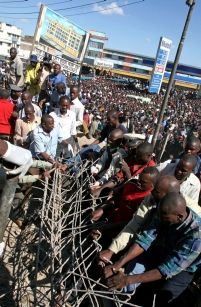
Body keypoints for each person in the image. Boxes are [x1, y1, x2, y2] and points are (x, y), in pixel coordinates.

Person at [104, 193, 201, 307]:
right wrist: (117, 265)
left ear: (179, 217)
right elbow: (145, 239)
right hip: (164, 248)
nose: (160, 219)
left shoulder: (196, 236)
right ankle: (119, 300)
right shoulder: (165, 213)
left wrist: (127, 280)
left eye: (164, 218)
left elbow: (167, 269)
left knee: (163, 297)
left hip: (184, 267)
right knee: (133, 268)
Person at [91, 167, 159, 226]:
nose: (138, 182)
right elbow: (117, 198)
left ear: (153, 184)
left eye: (143, 182)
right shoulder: (132, 183)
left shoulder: (150, 200)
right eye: (139, 179)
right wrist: (102, 209)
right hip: (111, 219)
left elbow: (135, 222)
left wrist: (107, 227)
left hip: (123, 229)